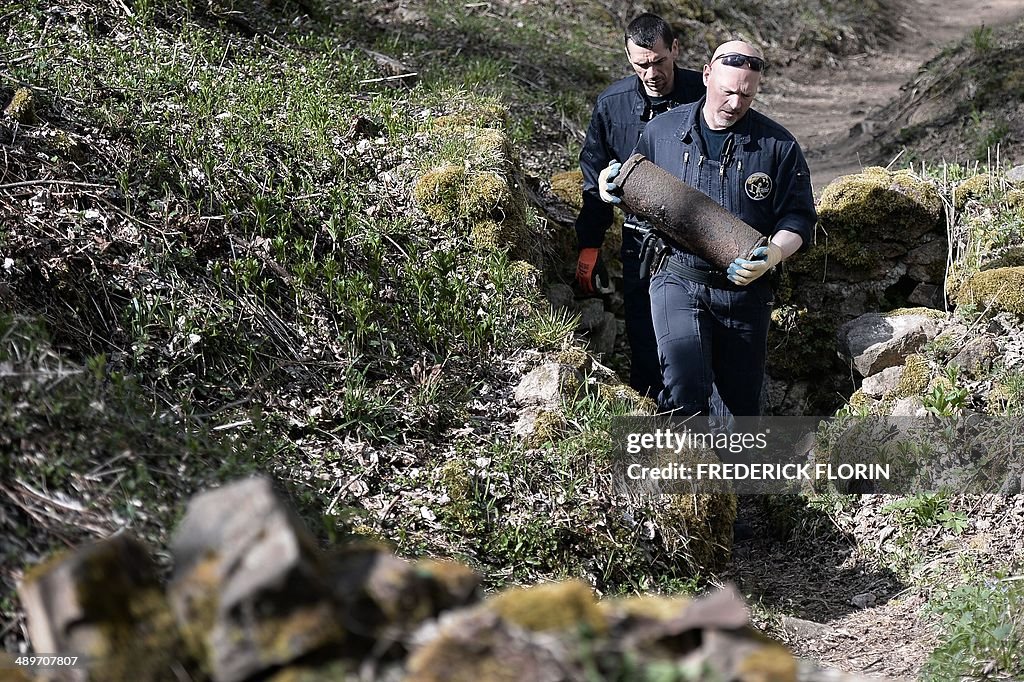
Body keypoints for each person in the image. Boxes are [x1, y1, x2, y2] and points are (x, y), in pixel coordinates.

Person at [600, 40, 816, 417]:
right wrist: (609, 184)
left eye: (746, 95)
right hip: (676, 277)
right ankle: (686, 474)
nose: (735, 103)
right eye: (728, 91)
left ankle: (737, 475)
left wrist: (774, 254)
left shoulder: (778, 145)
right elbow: (632, 181)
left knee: (741, 409)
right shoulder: (662, 131)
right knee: (684, 391)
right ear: (706, 76)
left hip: (745, 292)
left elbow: (798, 217)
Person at [574, 13, 704, 400]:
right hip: (639, 240)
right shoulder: (613, 105)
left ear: (675, 50)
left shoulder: (705, 94)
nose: (651, 73)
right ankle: (654, 422)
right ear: (628, 58)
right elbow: (593, 178)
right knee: (645, 336)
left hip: (700, 239)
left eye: (659, 61)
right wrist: (590, 247)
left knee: (695, 336)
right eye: (640, 64)